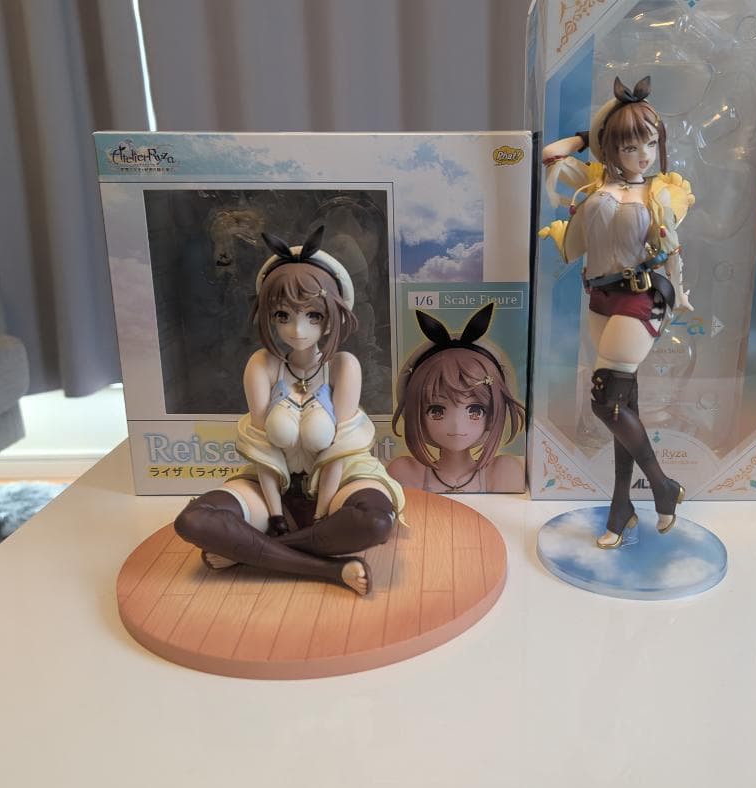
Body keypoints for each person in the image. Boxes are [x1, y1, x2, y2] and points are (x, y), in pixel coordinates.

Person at [174, 226, 405, 596]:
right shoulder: (262, 365)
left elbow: (339, 450)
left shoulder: (343, 367)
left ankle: (252, 551)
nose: (297, 329)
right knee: (195, 520)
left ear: (332, 314)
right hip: (274, 486)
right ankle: (331, 570)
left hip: (340, 482)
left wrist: (322, 515)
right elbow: (263, 450)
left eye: (313, 315)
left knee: (375, 522)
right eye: (283, 315)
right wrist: (276, 514)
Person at [540, 76, 695, 548]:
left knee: (605, 399)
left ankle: (663, 486)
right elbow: (549, 154)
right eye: (630, 146)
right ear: (612, 148)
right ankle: (621, 508)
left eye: (650, 142)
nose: (643, 155)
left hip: (641, 297)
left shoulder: (660, 194)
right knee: (624, 408)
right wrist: (594, 134)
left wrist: (680, 294)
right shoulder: (594, 182)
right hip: (600, 297)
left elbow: (672, 251)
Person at [388, 304, 526, 493]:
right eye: (436, 411)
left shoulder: (503, 473)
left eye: (475, 410)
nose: (456, 425)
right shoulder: (406, 474)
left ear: (494, 413)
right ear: (417, 414)